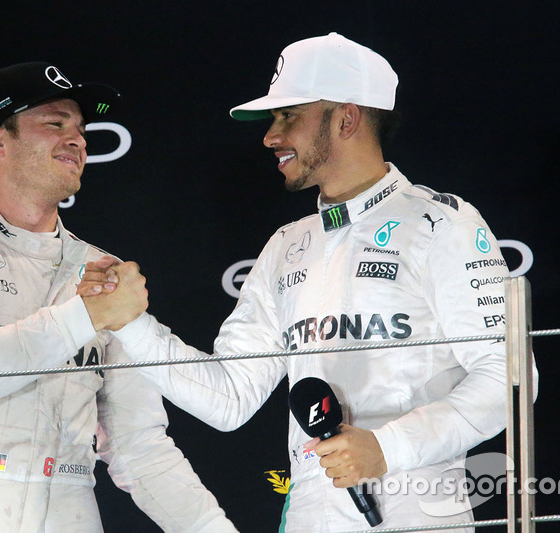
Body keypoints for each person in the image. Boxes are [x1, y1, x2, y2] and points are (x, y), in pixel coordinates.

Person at [81, 33, 517, 532]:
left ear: (346, 117)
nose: (271, 135)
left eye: (289, 116)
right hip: (309, 511)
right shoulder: (287, 245)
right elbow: (229, 398)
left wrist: (387, 448)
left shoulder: (441, 224)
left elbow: (509, 378)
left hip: (418, 506)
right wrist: (131, 324)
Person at [0, 62, 237, 533]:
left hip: (71, 506)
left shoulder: (103, 270)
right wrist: (85, 315)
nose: (78, 140)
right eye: (55, 123)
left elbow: (139, 447)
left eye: (81, 129)